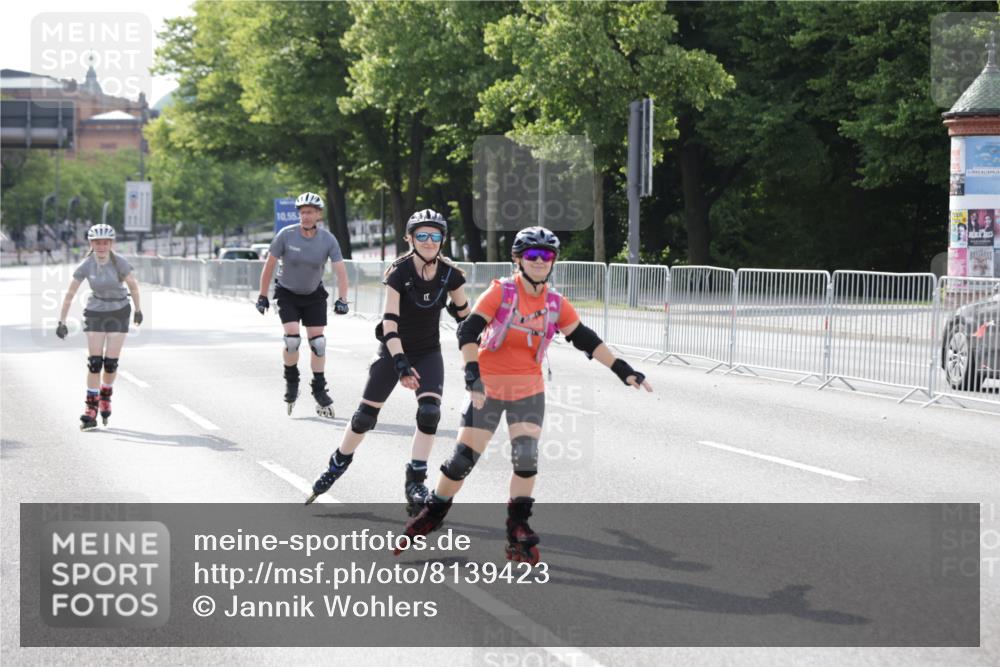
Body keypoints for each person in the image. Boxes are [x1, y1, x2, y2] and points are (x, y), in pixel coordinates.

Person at [395, 226, 653, 563]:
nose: (540, 261)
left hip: (528, 389)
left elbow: (585, 339)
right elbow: (468, 331)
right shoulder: (501, 292)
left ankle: (517, 528)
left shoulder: (555, 303)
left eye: (547, 255)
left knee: (527, 459)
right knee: (462, 461)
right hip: (487, 387)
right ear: (518, 259)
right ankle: (433, 512)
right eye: (532, 255)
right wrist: (472, 374)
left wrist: (623, 370)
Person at [305, 210, 471, 513]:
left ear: (443, 239)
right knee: (364, 419)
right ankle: (337, 463)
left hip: (428, 352)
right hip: (393, 351)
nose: (429, 241)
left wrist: (477, 330)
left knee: (430, 413)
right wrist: (401, 363)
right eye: (422, 235)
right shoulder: (399, 272)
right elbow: (390, 323)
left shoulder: (451, 275)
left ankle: (415, 481)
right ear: (409, 238)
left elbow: (466, 319)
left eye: (435, 235)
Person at [255, 192, 350, 417]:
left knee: (318, 343)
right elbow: (269, 265)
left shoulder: (328, 240)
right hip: (287, 293)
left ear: (318, 215)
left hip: (313, 294)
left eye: (310, 212)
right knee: (292, 340)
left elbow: (340, 271)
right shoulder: (286, 235)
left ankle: (319, 389)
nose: (305, 216)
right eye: (302, 212)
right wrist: (262, 295)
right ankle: (291, 381)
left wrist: (343, 299)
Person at [55, 223, 143, 430]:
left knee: (110, 364)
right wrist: (62, 321)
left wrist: (138, 310)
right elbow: (70, 293)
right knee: (95, 363)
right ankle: (91, 409)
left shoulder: (119, 262)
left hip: (119, 312)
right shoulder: (86, 264)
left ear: (111, 244)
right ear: (91, 244)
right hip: (95, 312)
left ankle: (106, 395)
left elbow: (133, 285)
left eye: (105, 243)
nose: (101, 246)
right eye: (97, 243)